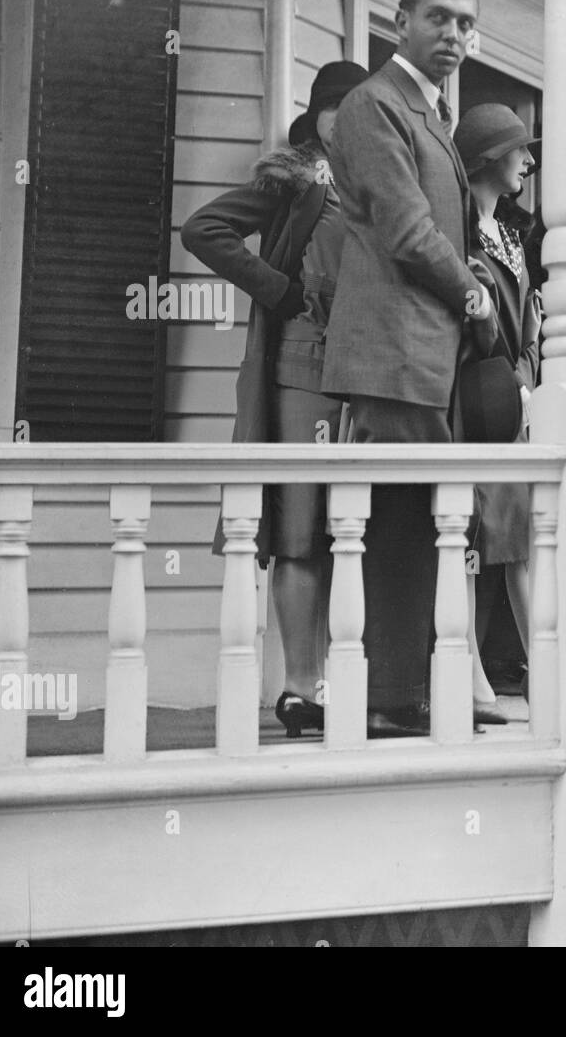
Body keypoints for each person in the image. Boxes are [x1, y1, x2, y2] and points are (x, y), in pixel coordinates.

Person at [321, 0, 497, 738]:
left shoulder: (428, 114)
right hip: (394, 351)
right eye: (439, 18)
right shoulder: (375, 105)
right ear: (399, 23)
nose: (454, 34)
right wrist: (474, 295)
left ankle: (402, 688)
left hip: (425, 355)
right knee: (399, 519)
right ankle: (391, 695)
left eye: (465, 22)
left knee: (418, 517)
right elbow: (405, 231)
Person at [181, 60, 369, 737]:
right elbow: (204, 230)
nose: (347, 120)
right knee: (297, 532)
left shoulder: (373, 186)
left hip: (363, 378)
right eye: (336, 108)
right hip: (300, 374)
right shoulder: (294, 182)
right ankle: (297, 685)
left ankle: (335, 680)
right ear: (317, 116)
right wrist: (276, 288)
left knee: (343, 531)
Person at [453, 103, 543, 726]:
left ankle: (548, 664)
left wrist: (531, 377)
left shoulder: (509, 236)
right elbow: (468, 321)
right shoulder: (458, 234)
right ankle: (468, 675)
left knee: (518, 539)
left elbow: (528, 319)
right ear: (489, 156)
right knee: (465, 537)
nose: (529, 161)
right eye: (519, 151)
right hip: (474, 400)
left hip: (517, 401)